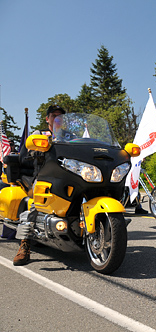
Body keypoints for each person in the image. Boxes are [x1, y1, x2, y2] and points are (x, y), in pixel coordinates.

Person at [13, 105, 66, 266]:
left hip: (67, 175)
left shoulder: (69, 136)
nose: (57, 118)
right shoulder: (39, 134)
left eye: (60, 116)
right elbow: (25, 152)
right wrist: (34, 151)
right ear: (47, 118)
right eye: (54, 115)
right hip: (44, 176)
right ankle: (25, 244)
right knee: (35, 205)